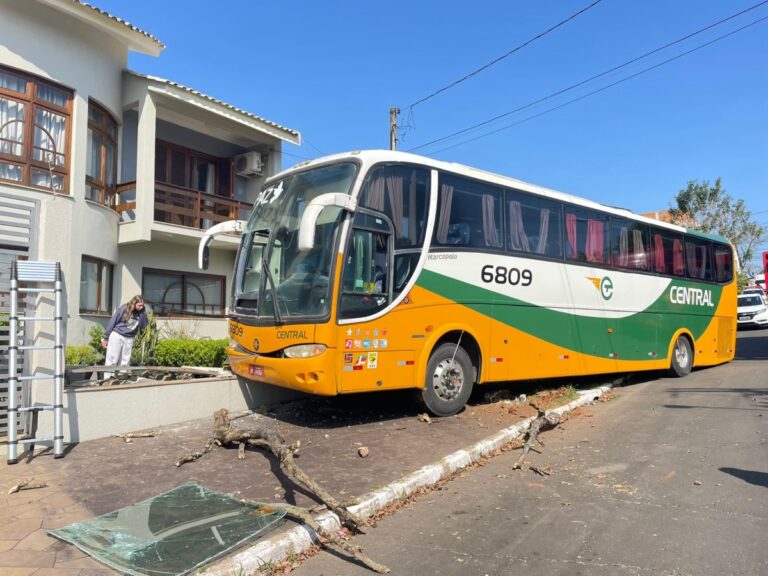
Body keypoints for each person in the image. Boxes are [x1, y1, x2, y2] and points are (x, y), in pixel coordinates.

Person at [101, 295, 148, 378]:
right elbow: (113, 321)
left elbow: (143, 325)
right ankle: (107, 378)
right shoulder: (124, 309)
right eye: (139, 305)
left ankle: (122, 378)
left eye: (142, 305)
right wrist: (105, 337)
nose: (141, 307)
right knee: (113, 359)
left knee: (125, 360)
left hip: (130, 337)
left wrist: (142, 313)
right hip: (117, 335)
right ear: (134, 303)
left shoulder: (141, 312)